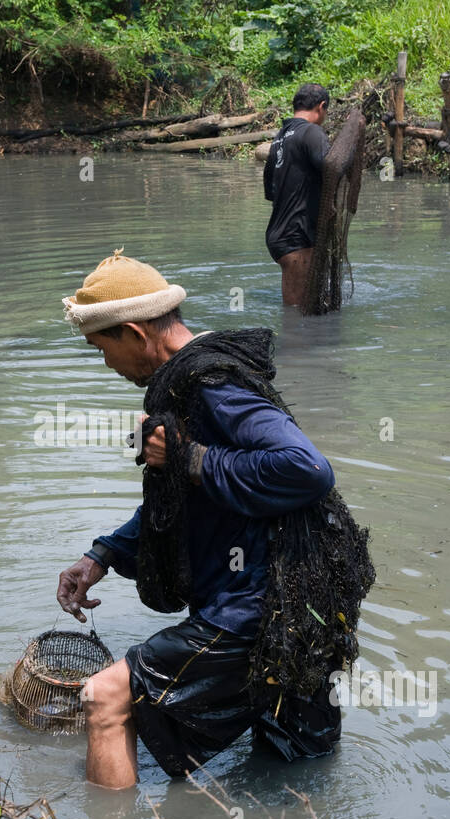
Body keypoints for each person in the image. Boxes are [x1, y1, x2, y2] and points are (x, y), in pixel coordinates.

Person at [56, 250, 344, 789]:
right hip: (300, 609)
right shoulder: (192, 380)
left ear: (137, 335)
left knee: (104, 697)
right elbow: (184, 503)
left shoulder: (212, 386)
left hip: (257, 608)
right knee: (293, 767)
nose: (105, 364)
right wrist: (105, 554)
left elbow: (307, 470)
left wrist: (190, 458)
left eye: (103, 348)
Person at [264, 83, 331, 307]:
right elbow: (331, 167)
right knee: (297, 314)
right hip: (296, 237)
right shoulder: (312, 131)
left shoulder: (279, 139)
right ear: (321, 107)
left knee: (302, 308)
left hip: (280, 233)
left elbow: (271, 192)